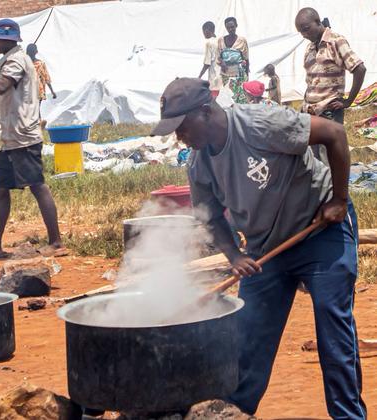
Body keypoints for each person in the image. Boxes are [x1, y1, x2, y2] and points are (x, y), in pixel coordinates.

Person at [152, 78, 366, 419]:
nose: (179, 137)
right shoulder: (199, 164)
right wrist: (235, 256)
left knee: (333, 332)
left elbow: (335, 135)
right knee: (247, 342)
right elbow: (209, 215)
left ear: (205, 112)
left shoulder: (260, 123)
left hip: (320, 229)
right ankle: (236, 413)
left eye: (181, 127)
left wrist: (340, 199)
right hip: (267, 249)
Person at [0, 19, 66, 259]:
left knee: (38, 186)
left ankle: (57, 242)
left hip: (23, 137)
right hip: (12, 138)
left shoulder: (17, 61)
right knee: (1, 189)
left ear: (5, 40)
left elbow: (1, 86)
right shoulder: (13, 59)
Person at [296, 7, 366, 124]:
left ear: (318, 22)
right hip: (309, 111)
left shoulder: (336, 41)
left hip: (329, 113)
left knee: (328, 143)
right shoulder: (311, 47)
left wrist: (348, 101)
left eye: (306, 29)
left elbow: (360, 69)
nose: (304, 35)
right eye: (301, 32)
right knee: (311, 142)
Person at [217, 17, 249, 104]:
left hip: (239, 74)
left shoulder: (242, 40)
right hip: (225, 74)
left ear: (236, 26)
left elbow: (246, 58)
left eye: (232, 27)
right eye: (228, 27)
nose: (230, 29)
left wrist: (247, 76)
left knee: (240, 97)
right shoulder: (220, 40)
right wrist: (222, 62)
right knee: (228, 96)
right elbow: (218, 56)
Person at [198, 21, 221, 97]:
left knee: (213, 101)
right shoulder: (220, 41)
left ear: (207, 30)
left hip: (214, 76)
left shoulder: (209, 43)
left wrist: (199, 76)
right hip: (222, 76)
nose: (203, 34)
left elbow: (207, 63)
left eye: (203, 31)